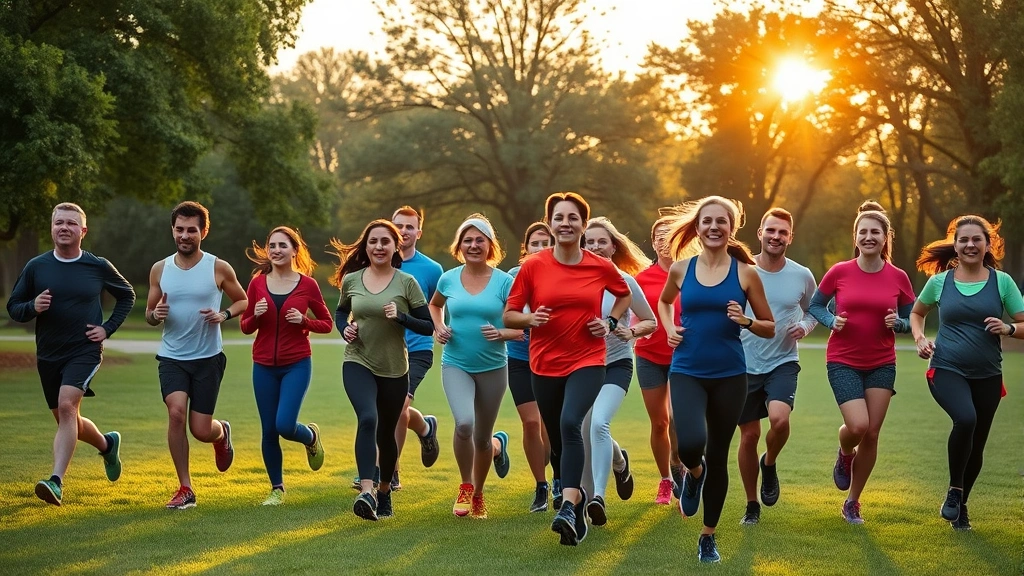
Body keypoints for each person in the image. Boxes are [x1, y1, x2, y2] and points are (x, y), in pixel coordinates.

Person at [504, 192, 631, 546]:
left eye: (573, 218)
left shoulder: (599, 265)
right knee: (558, 441)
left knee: (571, 422)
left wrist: (609, 321)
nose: (566, 224)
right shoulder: (533, 266)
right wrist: (531, 317)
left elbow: (622, 295)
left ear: (583, 225)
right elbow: (509, 314)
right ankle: (574, 512)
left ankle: (571, 506)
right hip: (543, 363)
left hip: (588, 360)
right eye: (559, 218)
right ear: (550, 223)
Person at [658, 196, 775, 563]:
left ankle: (708, 536)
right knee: (690, 443)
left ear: (732, 227)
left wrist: (746, 321)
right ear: (698, 227)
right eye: (706, 221)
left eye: (720, 221)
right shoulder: (680, 269)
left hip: (730, 375)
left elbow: (769, 327)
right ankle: (694, 472)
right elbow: (663, 303)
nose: (713, 227)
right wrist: (668, 328)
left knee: (720, 455)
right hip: (687, 369)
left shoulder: (746, 273)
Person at [7, 202, 135, 506]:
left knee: (67, 407)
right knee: (68, 418)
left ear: (83, 230)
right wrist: (32, 307)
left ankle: (56, 482)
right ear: (52, 228)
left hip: (85, 351)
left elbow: (127, 294)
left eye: (71, 224)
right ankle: (107, 444)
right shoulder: (37, 267)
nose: (64, 228)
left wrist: (108, 328)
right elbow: (14, 307)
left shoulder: (97, 265)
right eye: (59, 223)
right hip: (49, 356)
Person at [910, 215, 1024, 530]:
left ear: (988, 245)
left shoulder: (1002, 282)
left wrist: (1009, 327)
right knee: (966, 419)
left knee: (977, 442)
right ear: (956, 245)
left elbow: (1023, 323)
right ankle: (954, 491)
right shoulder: (939, 282)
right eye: (964, 240)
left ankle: (961, 507)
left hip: (988, 374)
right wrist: (920, 338)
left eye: (977, 239)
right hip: (947, 368)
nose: (970, 245)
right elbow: (917, 313)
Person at [808, 201, 915, 525]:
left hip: (882, 361)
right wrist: (830, 320)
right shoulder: (840, 272)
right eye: (863, 232)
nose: (869, 237)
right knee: (858, 426)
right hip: (843, 359)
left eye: (875, 232)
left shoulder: (898, 277)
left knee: (872, 433)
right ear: (855, 237)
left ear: (885, 238)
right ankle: (844, 453)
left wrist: (900, 324)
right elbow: (816, 306)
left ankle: (853, 501)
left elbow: (914, 319)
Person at [145, 201, 248, 510]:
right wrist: (156, 314)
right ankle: (185, 487)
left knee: (201, 430)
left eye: (192, 230)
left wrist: (224, 314)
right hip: (172, 357)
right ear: (173, 230)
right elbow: (150, 314)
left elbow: (242, 300)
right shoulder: (160, 269)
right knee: (176, 413)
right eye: (179, 229)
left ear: (203, 231)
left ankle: (221, 433)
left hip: (208, 358)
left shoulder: (218, 267)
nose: (185, 235)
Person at [331, 219, 434, 521]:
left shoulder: (406, 283)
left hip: (394, 369)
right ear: (366, 245)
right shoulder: (353, 279)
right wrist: (344, 329)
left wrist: (401, 317)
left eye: (384, 242)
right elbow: (340, 311)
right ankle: (367, 490)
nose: (378, 246)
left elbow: (427, 326)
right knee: (368, 417)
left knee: (386, 434)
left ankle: (385, 490)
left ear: (395, 246)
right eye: (373, 241)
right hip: (358, 359)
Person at [429, 214, 518, 518]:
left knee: (482, 437)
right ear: (460, 245)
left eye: (479, 239)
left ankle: (480, 491)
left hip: (494, 366)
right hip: (456, 363)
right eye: (467, 240)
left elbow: (522, 326)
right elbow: (435, 305)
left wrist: (502, 333)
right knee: (464, 424)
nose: (473, 245)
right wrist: (438, 326)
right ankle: (466, 486)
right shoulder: (448, 278)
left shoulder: (506, 282)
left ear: (490, 244)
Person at [239, 226, 334, 506]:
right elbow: (245, 327)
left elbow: (327, 324)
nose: (276, 251)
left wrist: (304, 321)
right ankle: (277, 489)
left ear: (295, 250)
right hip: (263, 365)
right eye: (272, 246)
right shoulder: (257, 283)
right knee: (269, 430)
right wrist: (254, 316)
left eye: (283, 246)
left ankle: (310, 436)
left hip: (296, 364)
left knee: (284, 424)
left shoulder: (308, 285)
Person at [736, 208, 817, 525]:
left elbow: (816, 310)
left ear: (790, 238)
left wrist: (806, 328)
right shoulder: (741, 270)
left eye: (782, 232)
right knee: (748, 437)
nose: (776, 237)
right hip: (742, 365)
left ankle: (769, 463)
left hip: (783, 361)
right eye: (771, 230)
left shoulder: (802, 275)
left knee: (779, 420)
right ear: (760, 233)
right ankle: (751, 504)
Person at [580, 216, 658, 526]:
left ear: (614, 246)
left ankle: (597, 496)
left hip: (616, 363)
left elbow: (650, 320)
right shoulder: (572, 281)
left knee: (599, 423)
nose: (596, 246)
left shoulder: (626, 282)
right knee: (586, 429)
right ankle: (619, 461)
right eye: (590, 242)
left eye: (602, 241)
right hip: (582, 366)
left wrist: (632, 333)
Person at [634, 214, 689, 504]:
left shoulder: (692, 273)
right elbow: (635, 316)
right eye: (658, 237)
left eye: (669, 236)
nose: (663, 242)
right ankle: (666, 479)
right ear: (653, 244)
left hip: (685, 357)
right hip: (649, 356)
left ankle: (681, 465)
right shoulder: (642, 279)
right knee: (659, 423)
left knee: (682, 422)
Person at [390, 206, 442, 489]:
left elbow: (439, 307)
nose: (403, 231)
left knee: (397, 407)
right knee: (387, 410)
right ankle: (425, 427)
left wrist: (443, 327)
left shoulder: (432, 269)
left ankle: (389, 472)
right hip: (383, 350)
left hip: (418, 349)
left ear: (418, 233)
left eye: (409, 227)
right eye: (398, 225)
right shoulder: (378, 261)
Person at [506, 222, 555, 512]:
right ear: (525, 248)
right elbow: (505, 313)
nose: (540, 248)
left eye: (545, 243)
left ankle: (559, 477)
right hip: (520, 359)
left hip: (552, 359)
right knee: (531, 422)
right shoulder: (513, 275)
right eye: (534, 243)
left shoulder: (563, 274)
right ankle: (541, 485)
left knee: (552, 427)